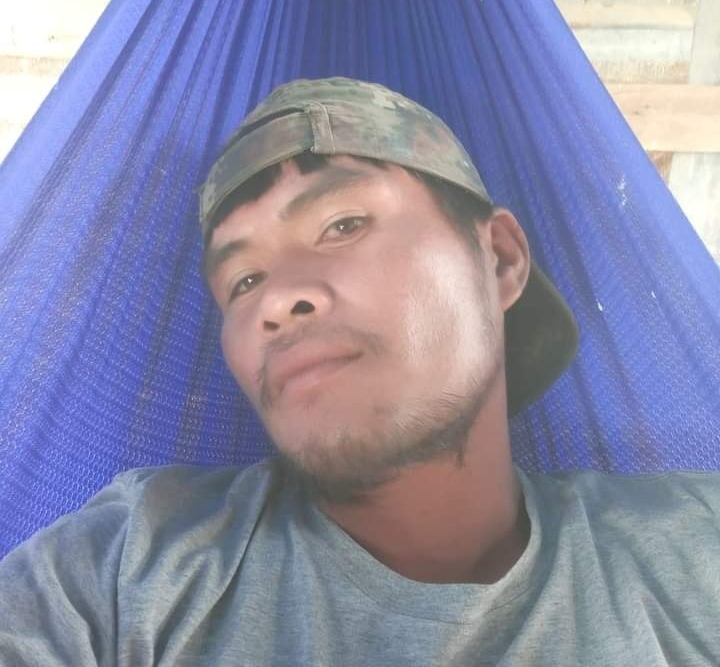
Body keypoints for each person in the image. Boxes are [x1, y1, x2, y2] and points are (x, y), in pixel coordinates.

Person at [0, 77, 717, 666]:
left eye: (342, 225)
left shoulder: (695, 550)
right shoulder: (124, 570)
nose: (276, 300)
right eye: (243, 281)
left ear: (498, 259)